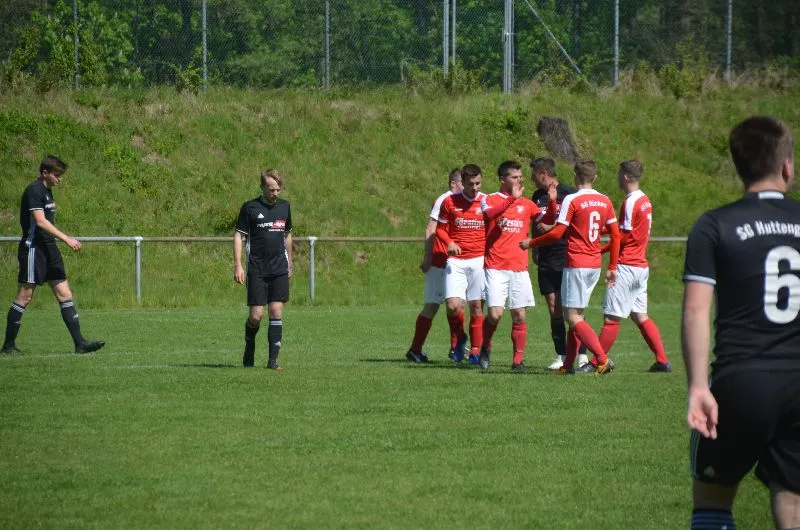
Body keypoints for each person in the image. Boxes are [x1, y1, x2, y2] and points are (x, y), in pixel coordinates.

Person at [683, 116, 800, 530]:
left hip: (741, 381)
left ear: (738, 165)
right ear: (786, 165)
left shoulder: (715, 224)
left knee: (712, 501)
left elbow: (696, 310)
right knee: (793, 501)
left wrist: (698, 386)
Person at [520, 159, 620, 375]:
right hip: (594, 264)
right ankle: (568, 365)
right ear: (595, 177)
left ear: (575, 175)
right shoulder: (605, 200)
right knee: (577, 315)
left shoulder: (572, 199)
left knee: (572, 317)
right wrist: (612, 266)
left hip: (576, 263)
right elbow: (615, 234)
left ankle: (601, 358)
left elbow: (557, 233)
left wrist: (532, 243)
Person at [1, 155, 105, 355]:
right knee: (25, 296)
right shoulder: (34, 191)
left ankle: (80, 344)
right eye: (57, 175)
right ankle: (8, 346)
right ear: (45, 173)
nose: (60, 179)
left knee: (65, 295)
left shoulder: (47, 192)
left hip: (50, 248)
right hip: (34, 248)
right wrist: (66, 238)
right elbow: (40, 221)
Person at [478, 161, 555, 372]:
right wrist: (512, 199)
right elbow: (489, 215)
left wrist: (552, 202)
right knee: (495, 314)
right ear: (502, 179)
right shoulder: (489, 199)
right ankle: (485, 347)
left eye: (520, 177)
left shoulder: (527, 204)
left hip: (519, 268)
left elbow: (547, 220)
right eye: (514, 177)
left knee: (519, 315)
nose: (519, 180)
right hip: (495, 266)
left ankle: (517, 361)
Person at [597, 160, 671, 373]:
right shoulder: (645, 200)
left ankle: (596, 362)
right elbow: (628, 230)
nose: (618, 178)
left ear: (626, 177)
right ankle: (662, 361)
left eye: (619, 174)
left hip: (627, 266)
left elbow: (624, 236)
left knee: (611, 318)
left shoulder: (630, 202)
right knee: (640, 315)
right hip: (640, 267)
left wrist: (601, 250)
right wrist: (605, 230)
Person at [437, 164, 512, 364]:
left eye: (478, 183)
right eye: (471, 184)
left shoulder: (486, 201)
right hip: (456, 261)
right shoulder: (450, 202)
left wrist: (501, 225)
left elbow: (497, 225)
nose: (475, 187)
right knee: (453, 306)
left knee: (477, 306)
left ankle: (476, 351)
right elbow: (440, 229)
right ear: (462, 182)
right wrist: (449, 242)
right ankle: (460, 337)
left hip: (479, 260)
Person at [529, 158, 589, 370]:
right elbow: (535, 223)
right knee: (554, 309)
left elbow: (575, 223)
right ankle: (561, 356)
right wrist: (535, 248)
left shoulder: (570, 194)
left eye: (534, 174)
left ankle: (582, 355)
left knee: (572, 310)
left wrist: (553, 226)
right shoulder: (537, 196)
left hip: (566, 256)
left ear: (543, 173)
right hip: (546, 258)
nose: (531, 178)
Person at [234, 168, 293, 370]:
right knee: (256, 316)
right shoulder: (250, 207)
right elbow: (239, 236)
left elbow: (287, 235)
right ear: (262, 187)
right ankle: (249, 343)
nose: (275, 193)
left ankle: (272, 361)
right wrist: (238, 265)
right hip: (257, 269)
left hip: (279, 268)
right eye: (271, 189)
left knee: (276, 311)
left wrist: (290, 262)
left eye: (278, 190)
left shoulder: (285, 207)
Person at [405, 168, 467, 363]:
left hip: (453, 261)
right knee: (433, 305)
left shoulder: (461, 202)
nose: (467, 186)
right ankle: (415, 349)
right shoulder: (444, 200)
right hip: (440, 261)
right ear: (453, 184)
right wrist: (428, 258)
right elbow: (431, 228)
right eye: (463, 182)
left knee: (456, 305)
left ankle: (456, 348)